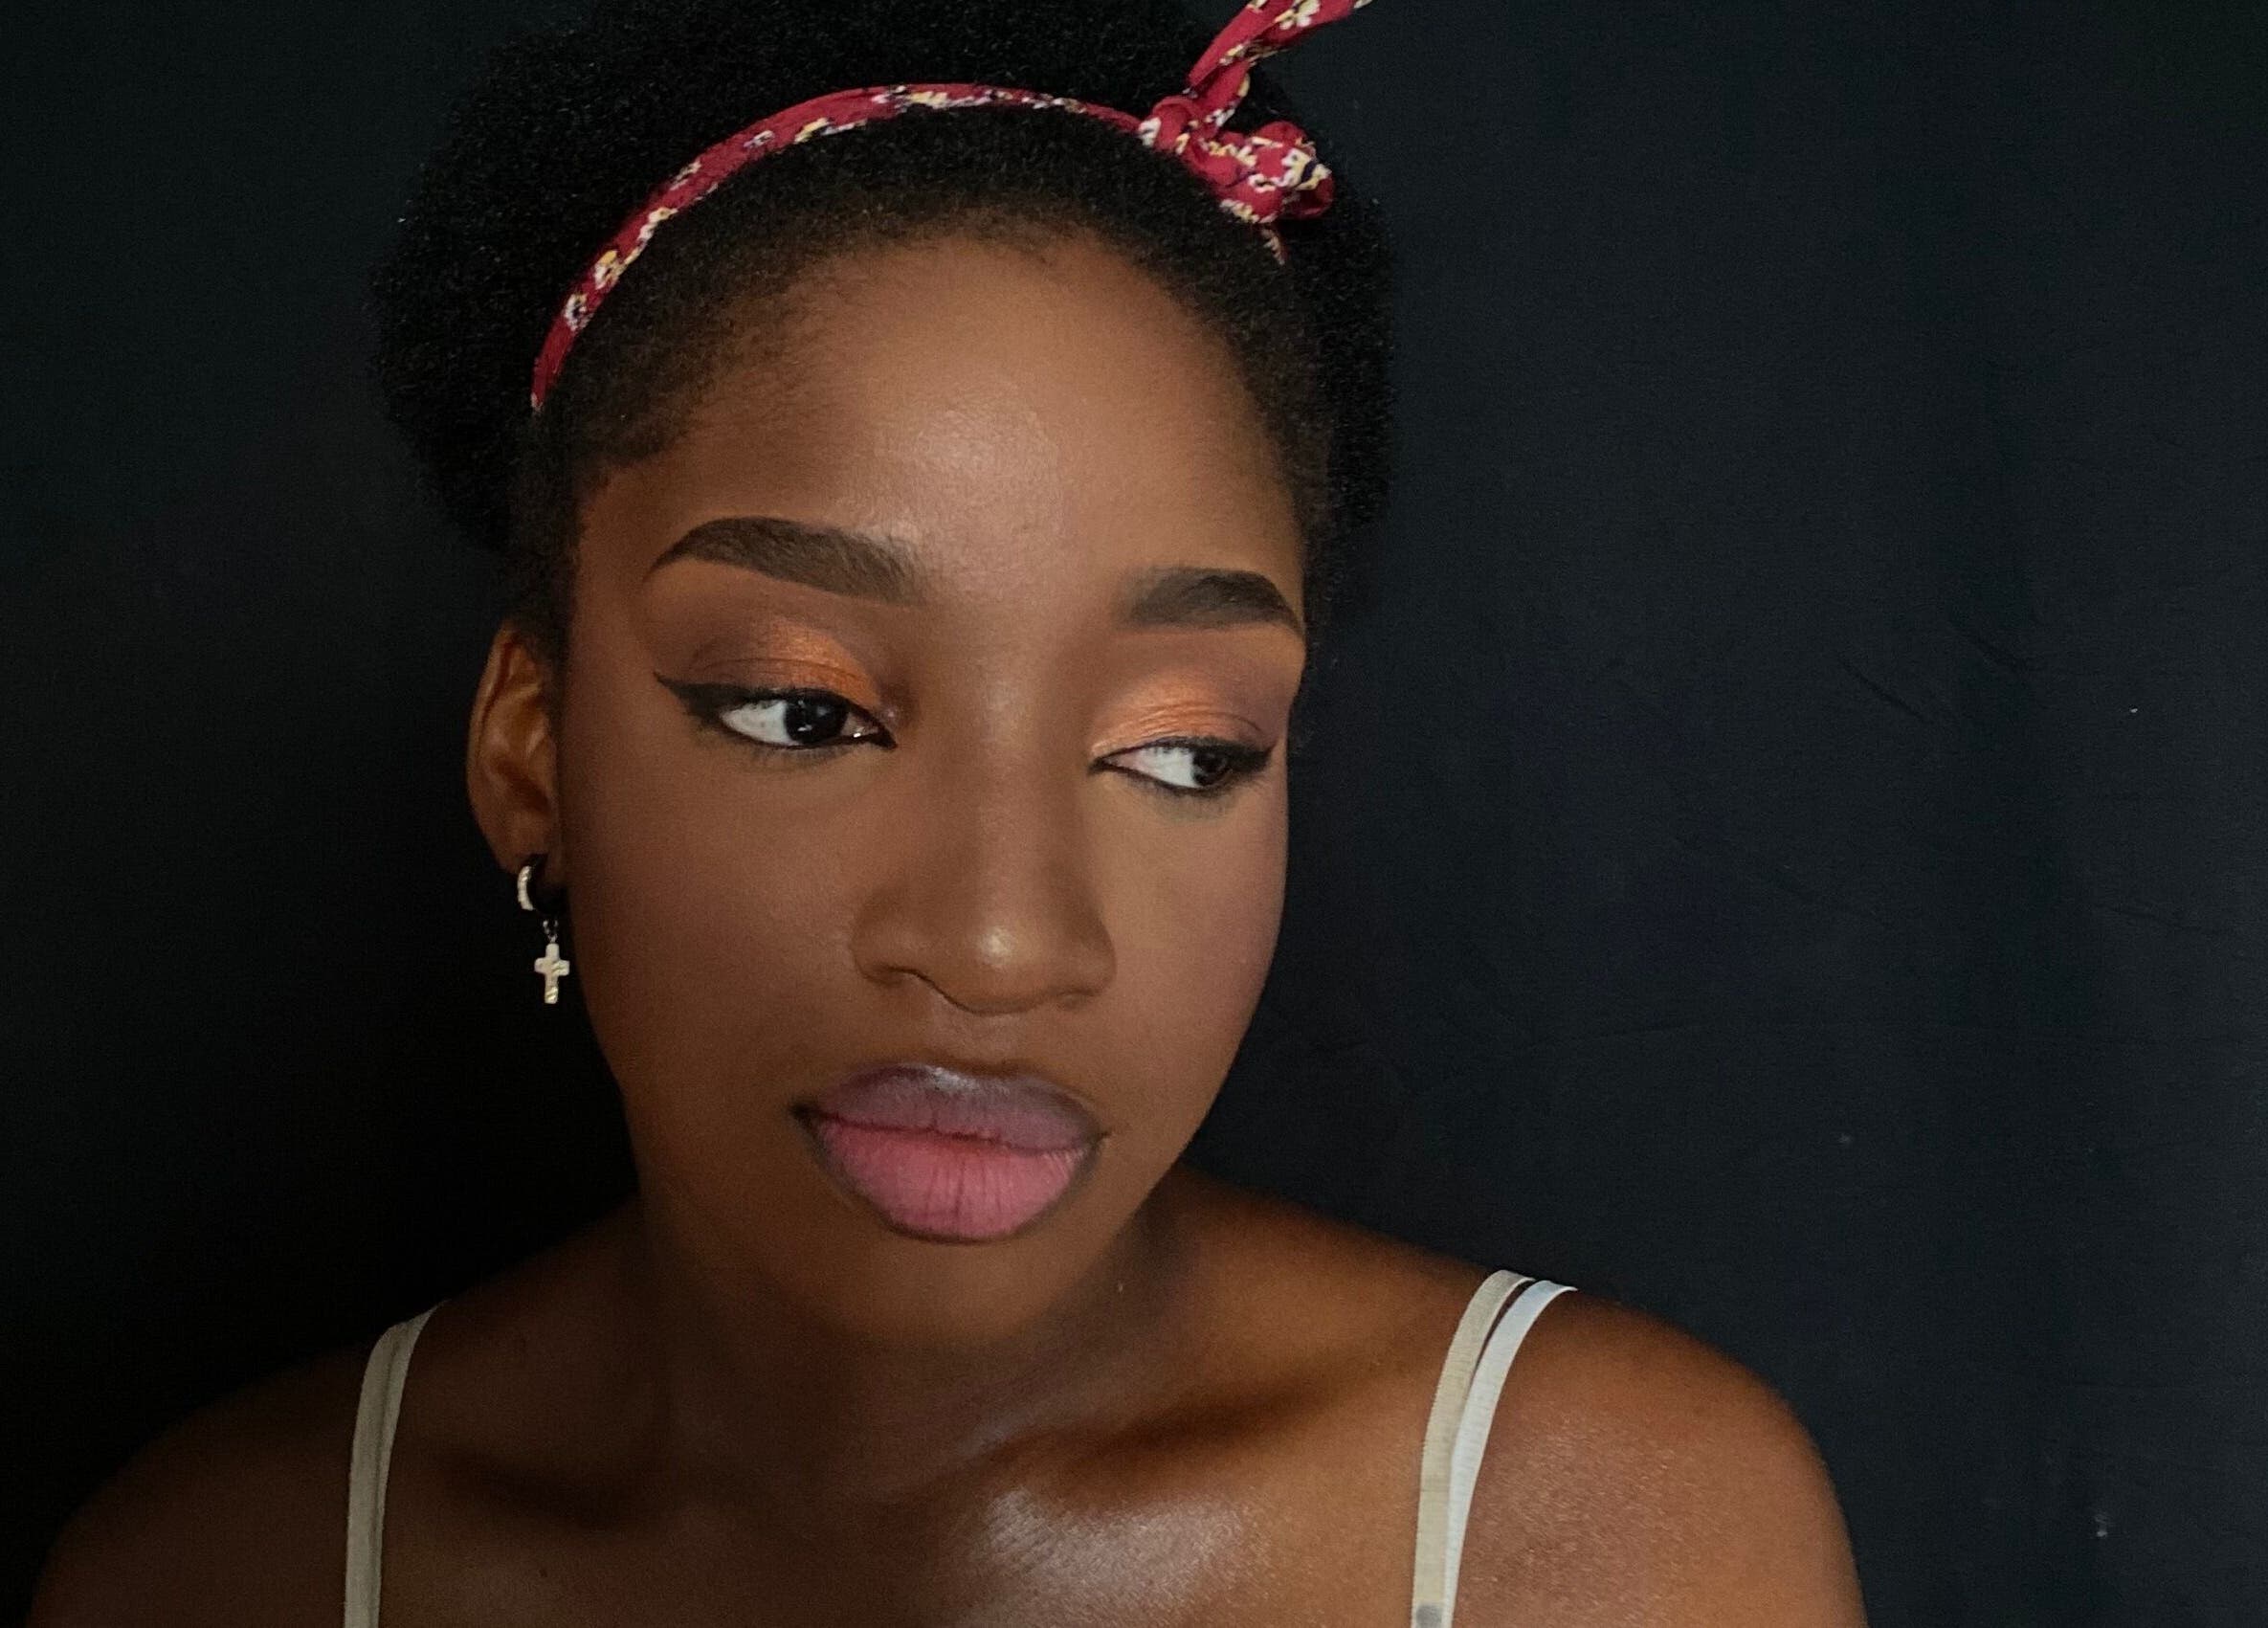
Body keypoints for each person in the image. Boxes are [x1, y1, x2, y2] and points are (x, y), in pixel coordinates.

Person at [32, 0, 1868, 1621]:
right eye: (802, 709)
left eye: (1179, 750)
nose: (1002, 943)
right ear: (530, 744)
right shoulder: (223, 1574)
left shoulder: (1602, 1544)